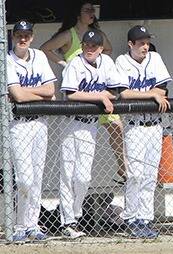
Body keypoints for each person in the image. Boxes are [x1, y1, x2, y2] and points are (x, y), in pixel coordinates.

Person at [40, 1, 127, 183]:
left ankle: (122, 165)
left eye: (93, 10)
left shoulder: (98, 35)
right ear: (78, 14)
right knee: (77, 143)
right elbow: (44, 49)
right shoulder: (69, 34)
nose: (91, 13)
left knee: (116, 125)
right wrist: (64, 63)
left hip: (98, 90)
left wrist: (99, 64)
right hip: (77, 92)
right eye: (87, 10)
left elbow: (108, 49)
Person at [59, 29, 125, 239]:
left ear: (100, 48)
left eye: (94, 46)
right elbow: (71, 94)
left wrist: (102, 96)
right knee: (68, 174)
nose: (89, 48)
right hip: (71, 124)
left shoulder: (106, 61)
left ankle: (75, 214)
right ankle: (67, 221)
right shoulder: (75, 63)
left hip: (91, 125)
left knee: (83, 177)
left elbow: (115, 91)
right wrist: (99, 96)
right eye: (86, 45)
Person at [114, 25, 171, 239]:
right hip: (134, 126)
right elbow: (124, 93)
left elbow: (162, 89)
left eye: (147, 42)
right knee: (135, 174)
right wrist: (151, 95)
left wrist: (150, 94)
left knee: (149, 176)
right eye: (141, 43)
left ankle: (145, 219)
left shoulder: (155, 58)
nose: (145, 46)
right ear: (131, 44)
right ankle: (131, 218)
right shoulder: (122, 61)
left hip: (155, 126)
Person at [7, 20, 56, 242]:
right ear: (13, 36)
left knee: (37, 177)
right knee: (24, 178)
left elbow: (51, 90)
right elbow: (18, 97)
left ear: (32, 37)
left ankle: (32, 225)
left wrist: (27, 91)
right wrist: (39, 94)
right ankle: (18, 225)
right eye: (19, 35)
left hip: (40, 123)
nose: (23, 38)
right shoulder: (7, 59)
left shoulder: (39, 56)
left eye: (26, 35)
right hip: (18, 124)